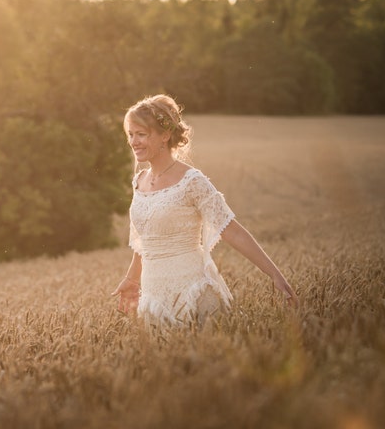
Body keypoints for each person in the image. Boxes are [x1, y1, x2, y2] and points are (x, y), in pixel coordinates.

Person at [111, 94, 298, 328]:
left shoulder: (192, 181)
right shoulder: (139, 181)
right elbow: (146, 240)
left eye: (141, 134)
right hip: (152, 296)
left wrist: (275, 275)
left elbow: (233, 231)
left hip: (192, 289)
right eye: (130, 134)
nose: (134, 141)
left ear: (165, 136)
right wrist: (131, 279)